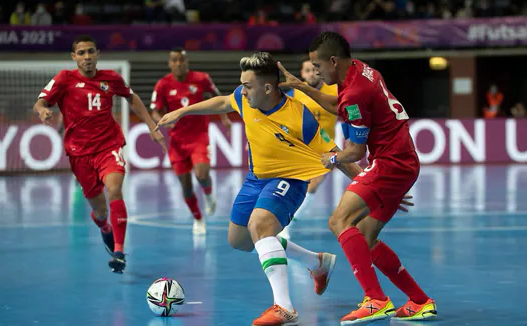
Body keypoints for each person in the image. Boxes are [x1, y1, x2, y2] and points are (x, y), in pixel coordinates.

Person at [157, 52, 365, 326]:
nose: (242, 90)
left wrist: (369, 183)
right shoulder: (245, 99)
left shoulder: (300, 117)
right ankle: (317, 263)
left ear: (267, 87)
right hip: (256, 179)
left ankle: (285, 307)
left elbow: (337, 153)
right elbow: (223, 101)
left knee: (260, 225)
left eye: (247, 85)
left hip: (290, 179)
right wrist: (184, 110)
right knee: (240, 240)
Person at [278, 31, 436, 325]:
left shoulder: (354, 93)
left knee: (339, 221)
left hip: (391, 163)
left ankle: (375, 299)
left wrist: (331, 158)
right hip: (401, 162)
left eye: (317, 66)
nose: (316, 71)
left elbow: (355, 151)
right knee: (365, 237)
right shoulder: (362, 71)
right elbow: (338, 105)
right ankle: (420, 301)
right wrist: (301, 86)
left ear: (333, 61)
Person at [33, 35, 166, 273]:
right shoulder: (64, 79)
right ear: (74, 57)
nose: (87, 57)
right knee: (99, 211)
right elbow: (40, 102)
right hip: (79, 154)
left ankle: (119, 251)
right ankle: (104, 226)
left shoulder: (111, 78)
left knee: (115, 189)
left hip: (109, 146)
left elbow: (131, 98)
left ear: (98, 54)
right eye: (81, 53)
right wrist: (43, 111)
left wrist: (150, 126)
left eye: (91, 52)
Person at [150, 48, 232, 235]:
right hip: (177, 142)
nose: (179, 63)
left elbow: (219, 98)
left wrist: (225, 118)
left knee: (202, 173)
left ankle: (209, 194)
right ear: (169, 63)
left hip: (199, 137)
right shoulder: (162, 84)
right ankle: (198, 219)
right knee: (186, 187)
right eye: (175, 60)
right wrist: (162, 122)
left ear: (187, 62)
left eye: (182, 60)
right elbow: (154, 110)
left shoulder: (202, 78)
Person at [280, 57, 338, 238]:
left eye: (314, 69)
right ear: (301, 74)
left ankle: (287, 224)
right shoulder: (294, 94)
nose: (311, 73)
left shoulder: (335, 89)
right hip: (300, 147)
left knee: (313, 185)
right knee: (294, 186)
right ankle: (282, 220)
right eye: (307, 70)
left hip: (325, 147)